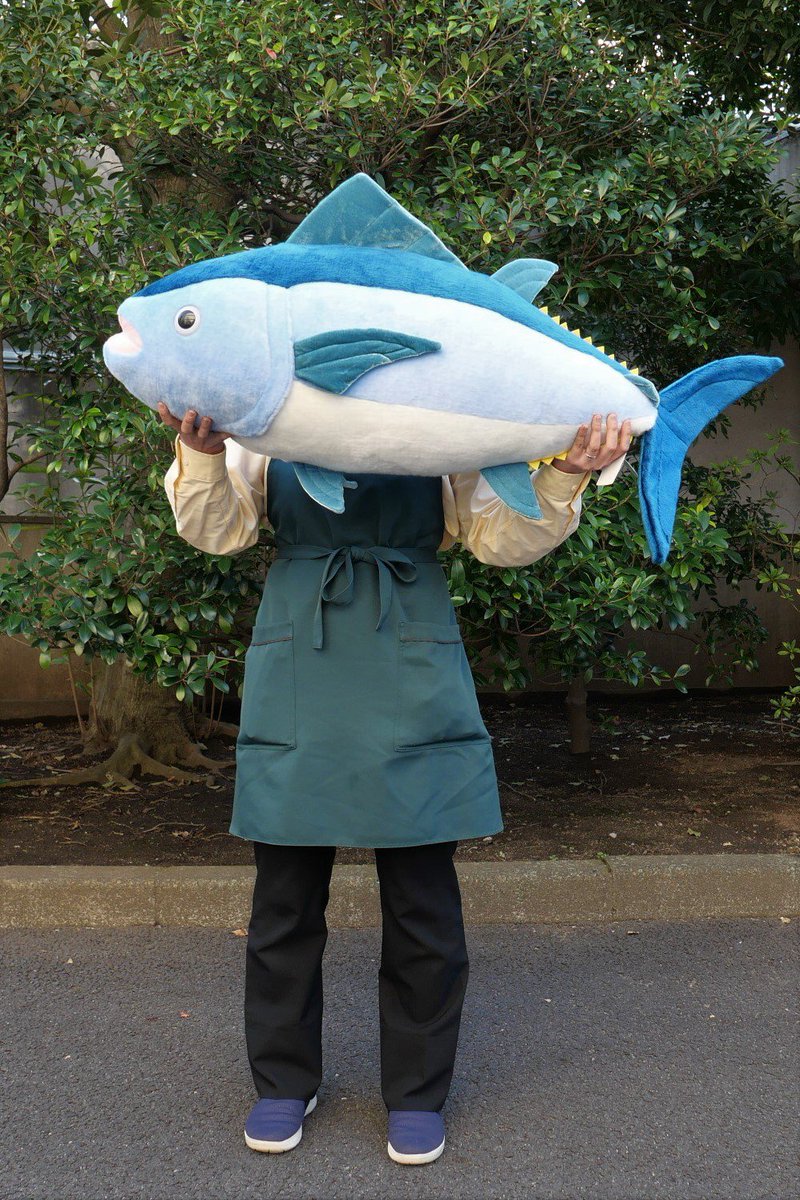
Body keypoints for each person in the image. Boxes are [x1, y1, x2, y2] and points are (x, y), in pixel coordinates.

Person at [160, 399, 631, 1165]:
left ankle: (416, 1092)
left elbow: (498, 537)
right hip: (301, 655)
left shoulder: (444, 401)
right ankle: (283, 1081)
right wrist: (206, 455)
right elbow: (218, 530)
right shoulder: (271, 400)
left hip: (411, 649)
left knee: (422, 901)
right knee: (284, 900)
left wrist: (564, 476)